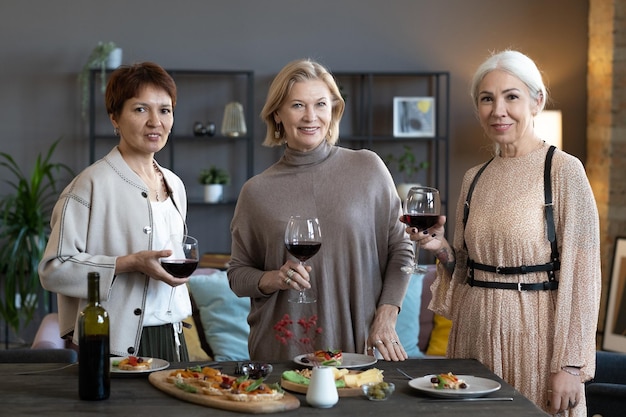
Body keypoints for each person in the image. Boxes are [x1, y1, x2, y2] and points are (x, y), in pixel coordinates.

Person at [408, 50, 601, 416]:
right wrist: (442, 249)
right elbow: (465, 272)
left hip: (536, 342)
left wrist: (572, 366)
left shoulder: (562, 171)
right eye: (487, 99)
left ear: (536, 101)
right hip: (473, 338)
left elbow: (584, 276)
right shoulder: (474, 178)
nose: (498, 109)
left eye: (511, 96)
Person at [227, 58, 413, 361]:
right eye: (297, 105)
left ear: (333, 110)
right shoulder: (256, 191)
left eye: (321, 104)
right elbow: (237, 275)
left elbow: (402, 248)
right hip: (281, 348)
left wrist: (387, 315)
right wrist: (273, 278)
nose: (310, 117)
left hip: (359, 346)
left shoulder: (368, 168)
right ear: (277, 114)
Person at [39, 62, 192, 362]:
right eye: (140, 109)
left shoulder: (175, 184)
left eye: (165, 110)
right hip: (117, 345)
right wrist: (128, 263)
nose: (155, 122)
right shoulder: (89, 185)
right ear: (115, 118)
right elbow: (53, 270)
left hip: (174, 337)